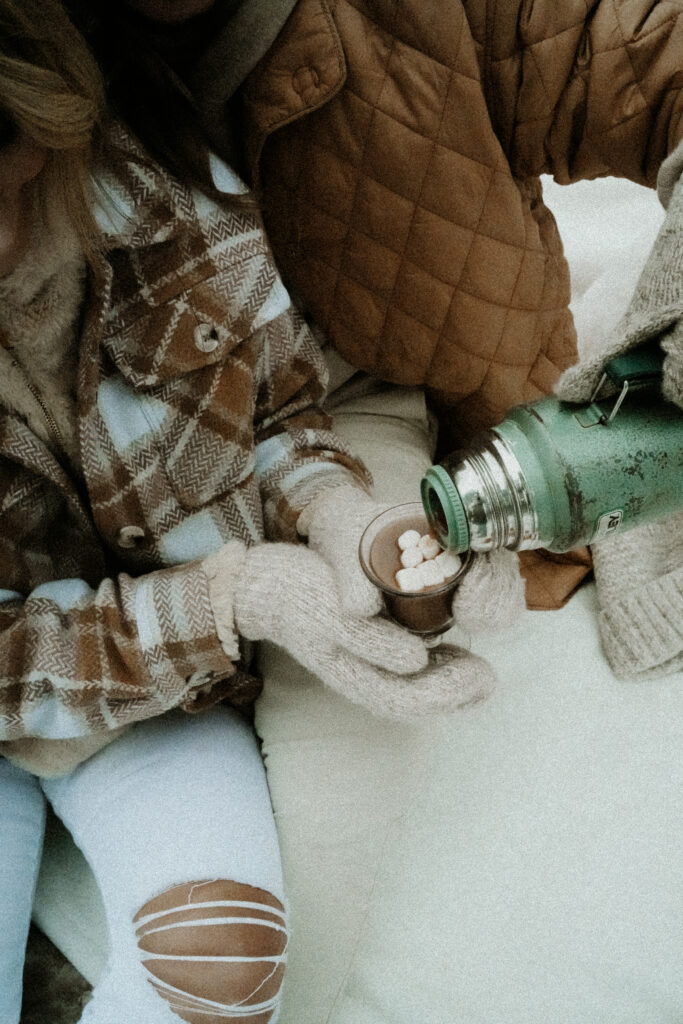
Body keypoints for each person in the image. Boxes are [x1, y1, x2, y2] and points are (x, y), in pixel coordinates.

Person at [37, 2, 683, 1020]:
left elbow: (645, 60)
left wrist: (364, 537)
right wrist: (221, 599)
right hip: (83, 547)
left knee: (313, 855)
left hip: (339, 412)